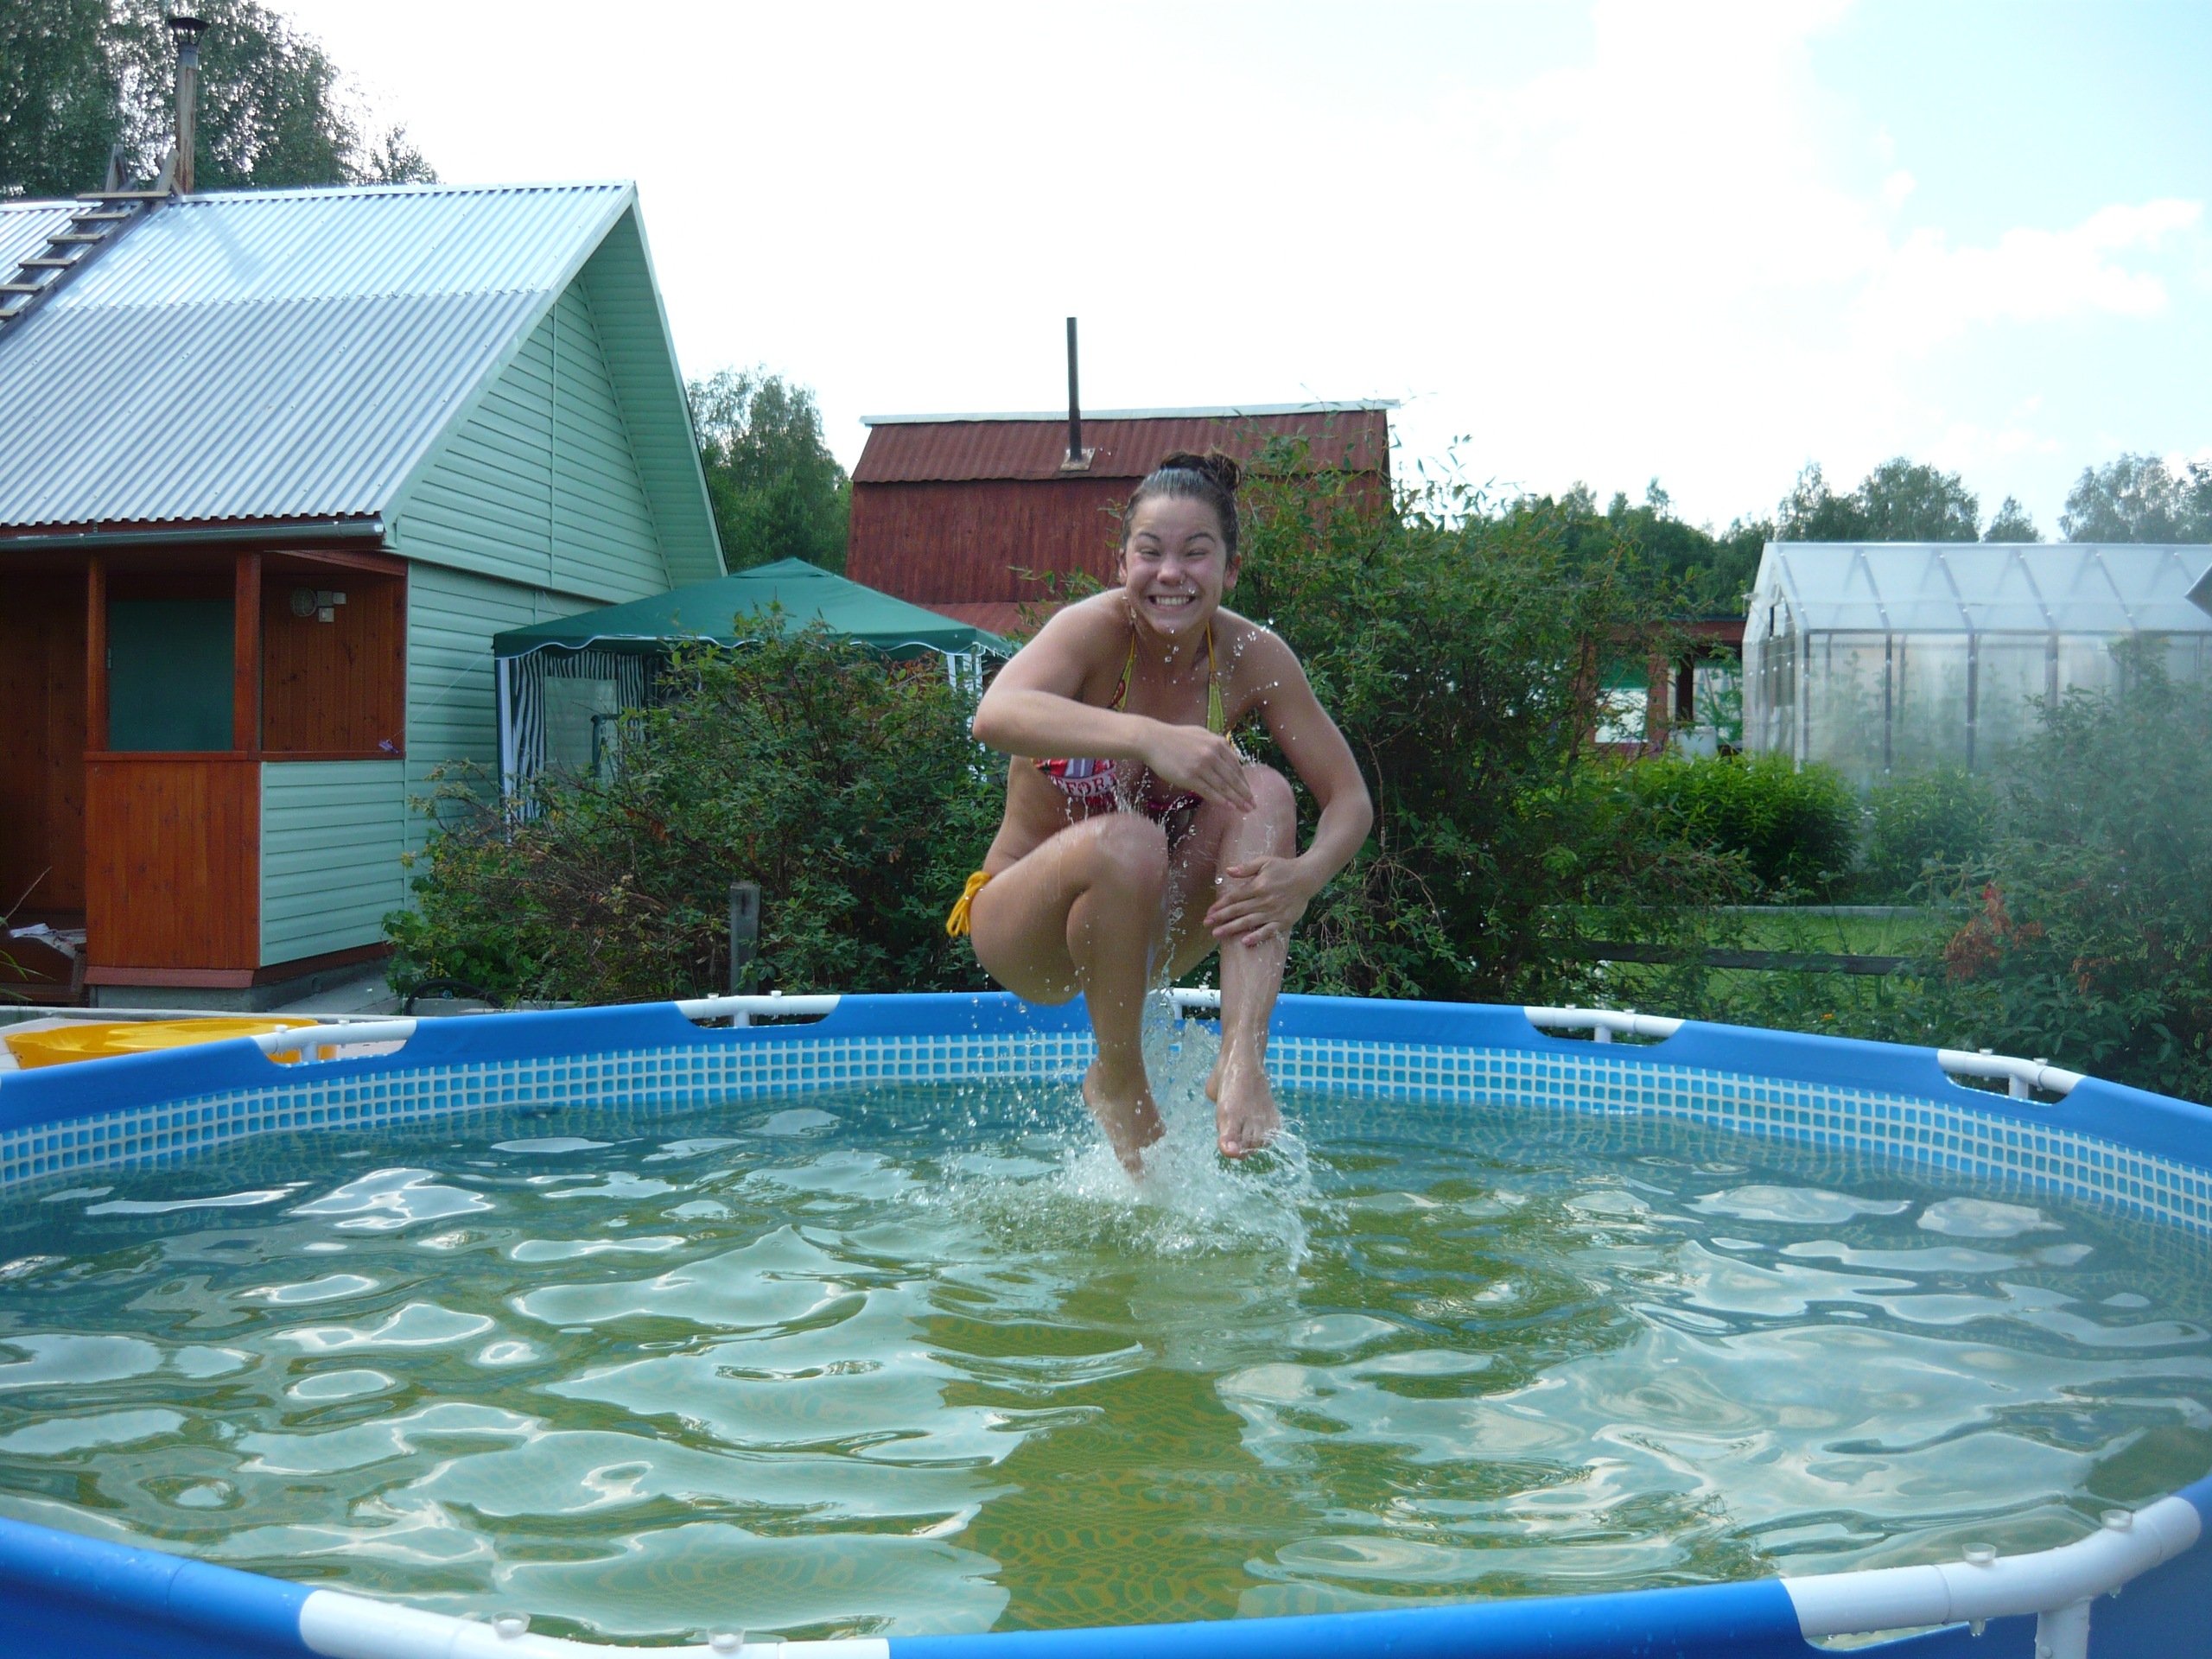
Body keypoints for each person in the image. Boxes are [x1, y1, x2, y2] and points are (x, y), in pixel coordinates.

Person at [949, 451, 1373, 1174]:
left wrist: (1305, 878)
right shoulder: (1092, 631)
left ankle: (1241, 1057)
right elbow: (995, 714)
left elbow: (1350, 798)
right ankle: (1118, 1075)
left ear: (1230, 570)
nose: (1170, 573)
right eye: (1150, 552)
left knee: (1265, 791)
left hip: (1147, 931)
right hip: (1028, 929)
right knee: (1129, 841)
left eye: (1195, 553)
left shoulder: (1252, 656)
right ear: (1122, 565)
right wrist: (1148, 736)